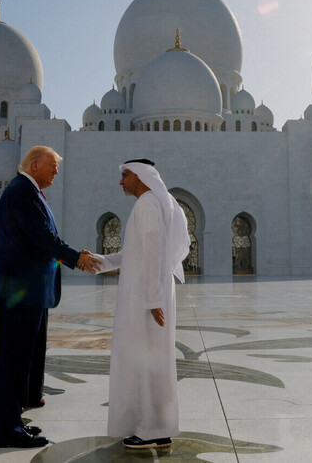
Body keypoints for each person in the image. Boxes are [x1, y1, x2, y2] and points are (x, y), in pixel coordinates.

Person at [0, 145, 100, 449]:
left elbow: (43, 237)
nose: (56, 172)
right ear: (35, 165)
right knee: (14, 359)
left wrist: (74, 254)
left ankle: (7, 422)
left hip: (24, 288)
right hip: (22, 289)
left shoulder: (28, 192)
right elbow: (43, 237)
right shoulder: (22, 192)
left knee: (16, 358)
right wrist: (75, 258)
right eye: (53, 166)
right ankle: (8, 430)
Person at [97, 158, 189, 449]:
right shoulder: (149, 204)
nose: (121, 181)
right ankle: (154, 426)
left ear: (139, 175)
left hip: (146, 299)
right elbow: (134, 252)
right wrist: (98, 262)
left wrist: (152, 298)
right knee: (148, 359)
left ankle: (152, 429)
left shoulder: (147, 204)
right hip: (148, 295)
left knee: (147, 359)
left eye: (125, 175)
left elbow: (152, 250)